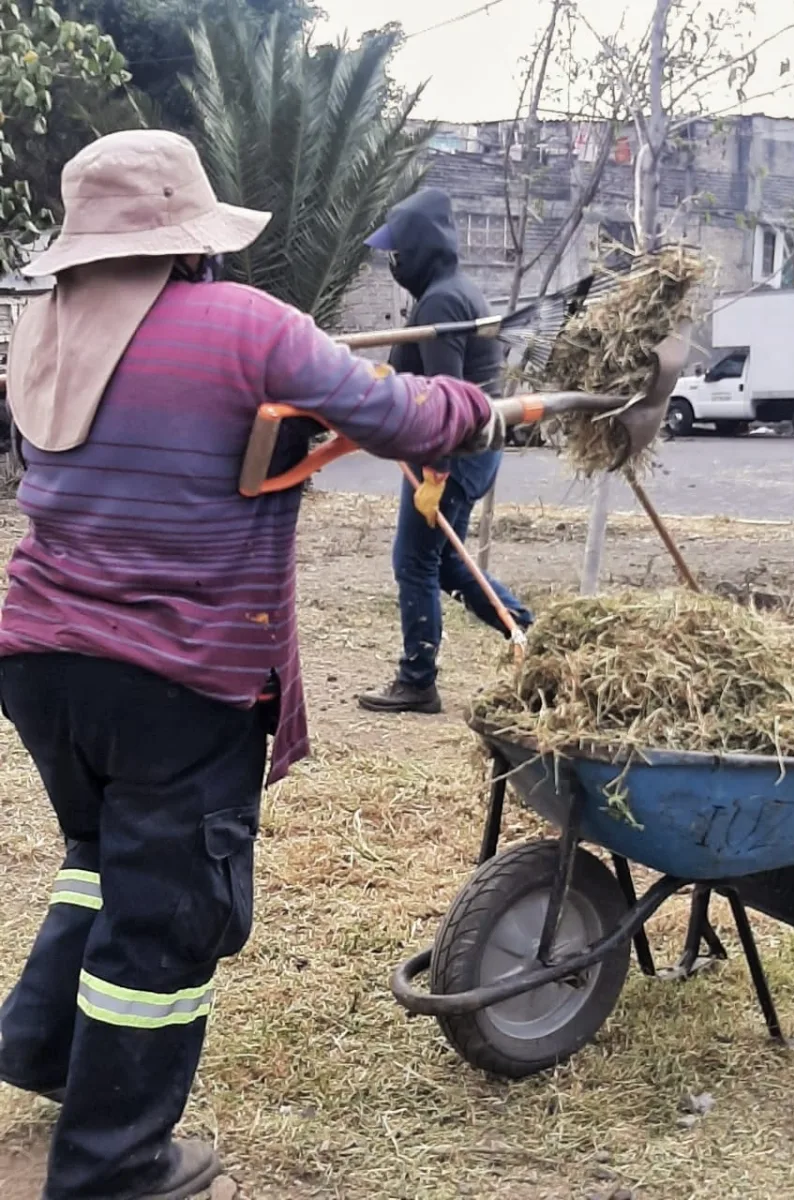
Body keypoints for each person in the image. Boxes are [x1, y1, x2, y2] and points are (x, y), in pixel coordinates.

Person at [0, 131, 504, 1200]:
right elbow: (400, 414)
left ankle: (45, 1050)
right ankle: (115, 1166)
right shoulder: (248, 326)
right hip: (177, 682)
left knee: (106, 852)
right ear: (192, 235)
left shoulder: (42, 327)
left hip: (41, 664)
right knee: (169, 918)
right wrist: (482, 410)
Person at [359, 188, 532, 715]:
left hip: (454, 454)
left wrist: (434, 472)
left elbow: (445, 401)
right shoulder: (450, 291)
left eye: (398, 252)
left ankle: (417, 680)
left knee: (413, 561)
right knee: (448, 567)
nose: (393, 262)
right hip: (466, 451)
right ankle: (529, 633)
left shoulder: (441, 299)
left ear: (420, 248)